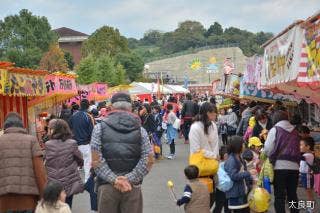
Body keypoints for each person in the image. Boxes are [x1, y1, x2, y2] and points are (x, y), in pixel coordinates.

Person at [91, 92, 153, 213]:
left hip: (106, 187)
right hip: (132, 187)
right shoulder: (141, 131)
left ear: (111, 107)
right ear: (130, 108)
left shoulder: (99, 128)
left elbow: (96, 160)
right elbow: (149, 160)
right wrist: (128, 179)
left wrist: (114, 179)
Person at [0, 112, 47, 212]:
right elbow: (40, 172)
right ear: (22, 125)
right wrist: (45, 198)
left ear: (5, 126)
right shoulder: (31, 140)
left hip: (4, 201)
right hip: (29, 200)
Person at [264, 110, 300, 213]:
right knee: (292, 194)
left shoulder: (275, 129)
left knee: (279, 196)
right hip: (294, 168)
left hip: (279, 167)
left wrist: (270, 156)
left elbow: (268, 148)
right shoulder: (296, 131)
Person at [45, 119, 84, 208]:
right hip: (69, 180)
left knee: (55, 206)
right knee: (67, 204)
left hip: (53, 180)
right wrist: (79, 164)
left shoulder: (48, 144)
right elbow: (80, 159)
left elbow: (46, 160)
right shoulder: (72, 143)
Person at [224, 136, 254, 213]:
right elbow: (233, 176)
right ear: (237, 146)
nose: (244, 145)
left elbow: (244, 174)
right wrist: (248, 173)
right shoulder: (231, 160)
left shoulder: (240, 158)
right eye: (242, 144)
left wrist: (251, 182)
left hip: (243, 192)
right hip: (236, 195)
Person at [70, 99, 94, 183]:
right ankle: (87, 180)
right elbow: (92, 132)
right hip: (86, 144)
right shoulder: (88, 116)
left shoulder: (73, 116)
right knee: (87, 163)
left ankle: (75, 181)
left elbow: (70, 129)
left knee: (76, 164)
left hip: (75, 144)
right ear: (88, 106)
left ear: (80, 105)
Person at [300, 137, 315, 213]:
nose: (299, 147)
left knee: (309, 193)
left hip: (307, 176)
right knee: (308, 192)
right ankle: (310, 208)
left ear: (308, 146)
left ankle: (311, 210)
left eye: (301, 145)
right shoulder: (306, 154)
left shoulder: (309, 155)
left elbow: (299, 157)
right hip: (304, 175)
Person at [213, 146, 230, 213]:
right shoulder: (225, 165)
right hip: (225, 189)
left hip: (219, 189)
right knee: (225, 207)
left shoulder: (217, 165)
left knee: (219, 206)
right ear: (226, 156)